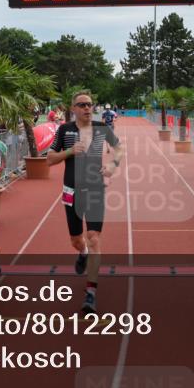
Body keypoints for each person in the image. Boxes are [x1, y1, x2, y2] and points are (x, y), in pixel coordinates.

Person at [46, 90, 124, 315]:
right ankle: (82, 254)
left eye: (89, 104)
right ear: (73, 109)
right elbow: (49, 159)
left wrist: (111, 166)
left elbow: (118, 149)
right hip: (71, 192)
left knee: (93, 238)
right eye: (82, 105)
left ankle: (91, 293)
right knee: (77, 241)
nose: (87, 108)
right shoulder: (64, 130)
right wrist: (70, 151)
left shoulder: (102, 128)